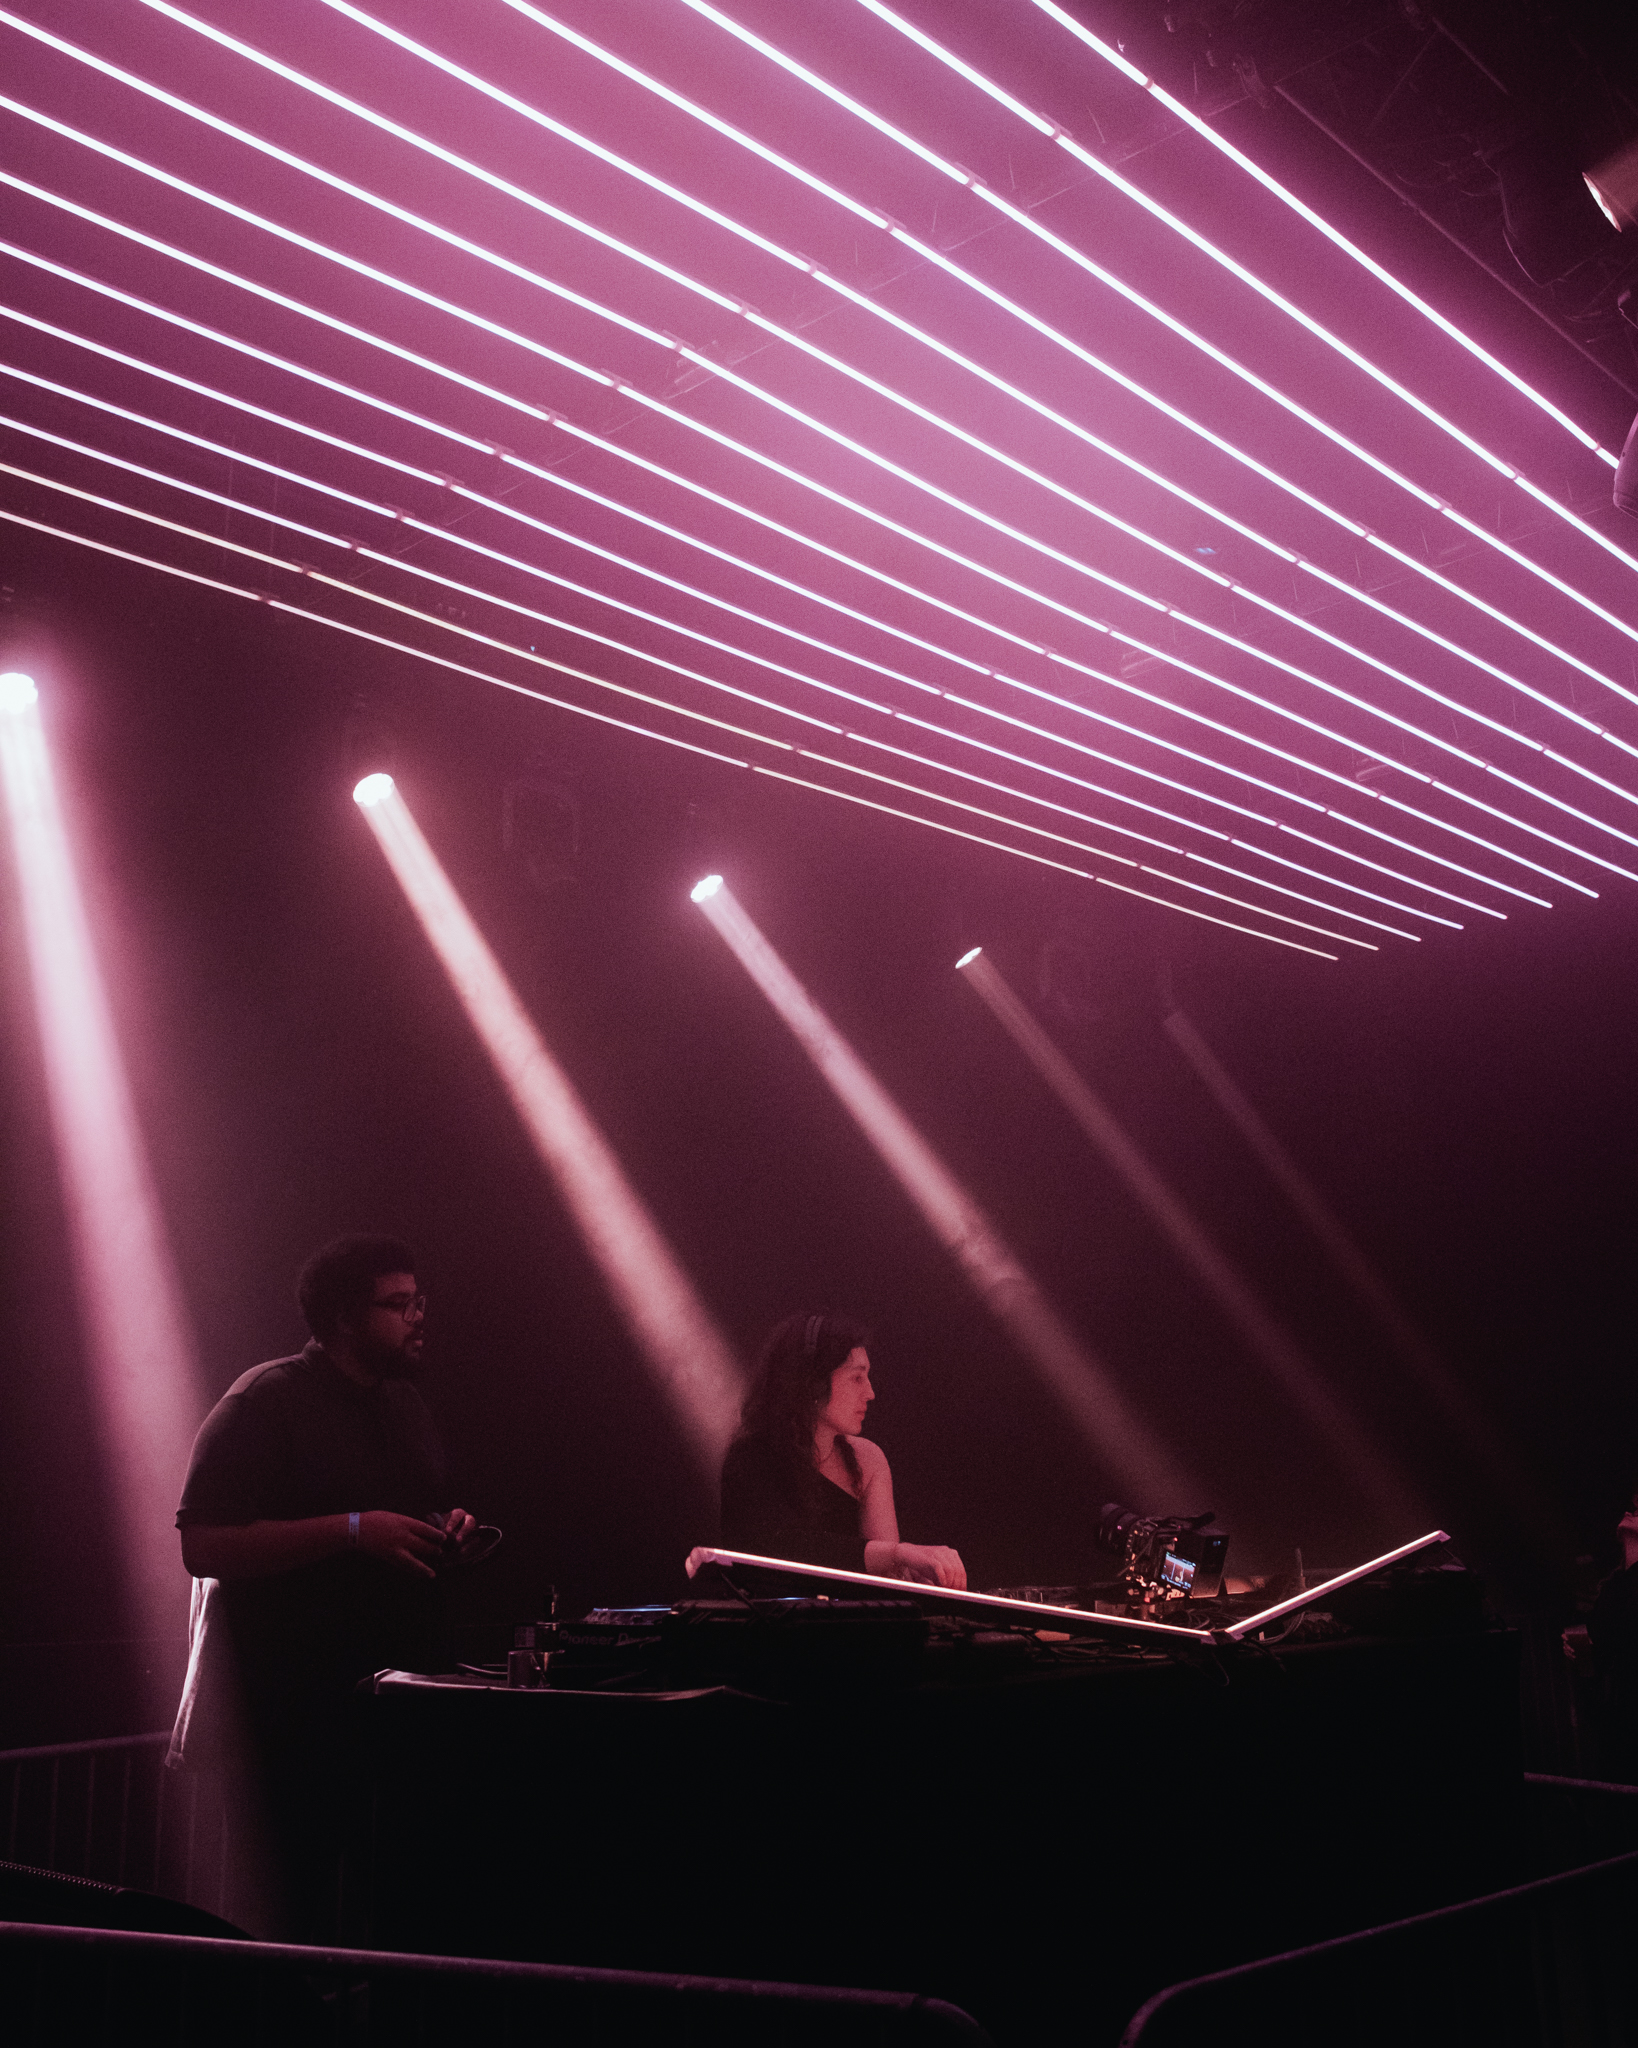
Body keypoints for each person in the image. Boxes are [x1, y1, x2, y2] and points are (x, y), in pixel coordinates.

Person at [169, 1234, 483, 1935]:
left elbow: (409, 1515)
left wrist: (446, 1531)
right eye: (398, 1304)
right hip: (291, 1726)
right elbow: (202, 1544)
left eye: (419, 1301)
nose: (419, 1317)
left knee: (406, 1922)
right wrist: (352, 1530)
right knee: (281, 1931)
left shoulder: (405, 1405)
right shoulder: (265, 1399)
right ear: (343, 1318)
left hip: (392, 1716)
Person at [718, 1312, 966, 1588]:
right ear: (812, 1382)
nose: (870, 1393)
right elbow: (780, 1549)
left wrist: (912, 1573)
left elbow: (885, 1579)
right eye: (857, 1378)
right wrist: (898, 1554)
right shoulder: (750, 1456)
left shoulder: (868, 1459)